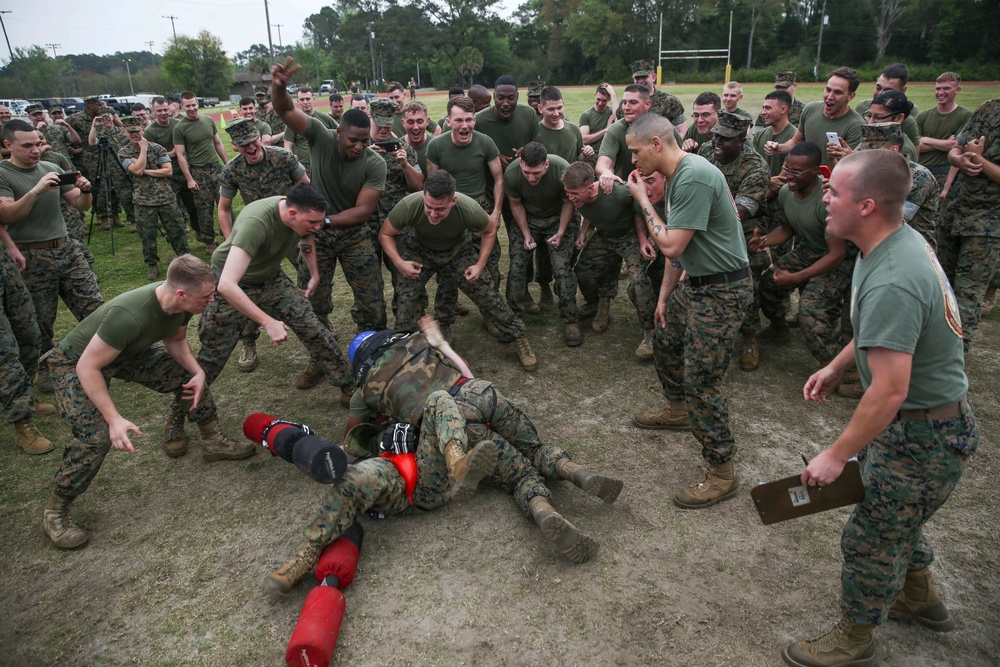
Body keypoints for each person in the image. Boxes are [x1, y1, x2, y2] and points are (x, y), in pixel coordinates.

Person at [781, 149, 977, 667]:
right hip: (918, 426)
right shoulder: (891, 245)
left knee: (871, 537)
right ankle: (919, 599)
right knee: (896, 518)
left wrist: (834, 454)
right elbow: (884, 335)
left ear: (866, 206)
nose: (824, 198)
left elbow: (889, 391)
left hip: (922, 436)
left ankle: (855, 637)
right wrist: (839, 363)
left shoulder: (895, 277)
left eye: (834, 192)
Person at [266, 316, 620, 595]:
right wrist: (441, 345)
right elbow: (466, 380)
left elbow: (349, 442)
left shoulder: (367, 400)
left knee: (482, 438)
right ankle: (569, 471)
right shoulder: (386, 412)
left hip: (439, 462)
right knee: (514, 451)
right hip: (450, 439)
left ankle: (539, 505)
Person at [40, 255, 255, 551]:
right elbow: (87, 368)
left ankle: (213, 440)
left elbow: (176, 341)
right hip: (75, 363)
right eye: (206, 296)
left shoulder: (182, 304)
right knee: (95, 437)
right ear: (181, 293)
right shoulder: (129, 315)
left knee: (187, 377)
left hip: (127, 353)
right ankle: (56, 510)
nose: (212, 299)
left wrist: (198, 371)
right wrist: (114, 419)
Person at [625, 113, 752, 509]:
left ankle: (722, 472)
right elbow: (678, 256)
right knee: (664, 337)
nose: (634, 162)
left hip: (722, 291)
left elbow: (672, 245)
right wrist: (663, 298)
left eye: (636, 152)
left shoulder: (692, 176)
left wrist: (643, 200)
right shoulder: (680, 175)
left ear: (657, 144)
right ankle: (678, 409)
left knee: (703, 380)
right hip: (697, 284)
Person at [270, 57, 388, 387]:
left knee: (372, 301)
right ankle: (320, 359)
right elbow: (285, 111)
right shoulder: (320, 137)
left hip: (353, 235)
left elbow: (363, 211)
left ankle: (373, 358)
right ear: (339, 133)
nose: (359, 147)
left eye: (365, 141)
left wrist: (325, 223)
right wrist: (279, 86)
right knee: (312, 301)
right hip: (316, 235)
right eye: (353, 140)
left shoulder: (374, 163)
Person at [191, 183, 356, 412]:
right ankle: (183, 414)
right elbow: (227, 286)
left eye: (320, 221)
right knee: (212, 355)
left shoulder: (298, 216)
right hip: (231, 281)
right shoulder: (256, 223)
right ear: (292, 214)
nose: (318, 227)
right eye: (312, 222)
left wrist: (315, 274)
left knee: (314, 328)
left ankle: (348, 386)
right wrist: (267, 321)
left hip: (270, 279)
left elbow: (306, 238)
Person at [379, 170, 538, 370]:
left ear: (452, 201)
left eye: (440, 209)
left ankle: (519, 336)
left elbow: (490, 230)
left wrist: (479, 265)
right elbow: (385, 233)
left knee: (486, 294)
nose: (433, 214)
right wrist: (400, 262)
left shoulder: (467, 207)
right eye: (429, 207)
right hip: (420, 250)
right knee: (405, 299)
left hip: (457, 251)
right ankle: (406, 350)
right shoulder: (410, 205)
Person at [0, 119, 104, 395]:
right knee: (41, 319)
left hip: (67, 248)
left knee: (93, 306)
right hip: (31, 255)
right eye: (27, 146)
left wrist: (85, 189)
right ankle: (44, 367)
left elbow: (79, 203)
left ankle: (103, 357)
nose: (36, 150)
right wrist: (36, 190)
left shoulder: (51, 167)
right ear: (8, 145)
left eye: (38, 143)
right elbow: (7, 214)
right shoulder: (3, 174)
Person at [749, 142, 854, 373]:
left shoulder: (826, 200)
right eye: (787, 168)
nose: (788, 176)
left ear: (816, 170)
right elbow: (789, 228)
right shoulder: (787, 192)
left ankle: (835, 368)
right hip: (812, 248)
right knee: (768, 282)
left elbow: (837, 253)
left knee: (810, 309)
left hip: (840, 258)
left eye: (796, 171)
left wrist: (796, 277)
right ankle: (779, 328)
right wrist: (764, 241)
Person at [216, 118, 309, 373]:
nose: (251, 147)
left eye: (253, 141)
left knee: (307, 272)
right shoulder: (232, 169)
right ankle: (248, 340)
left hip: (288, 230)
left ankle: (311, 325)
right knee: (244, 285)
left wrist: (303, 224)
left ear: (260, 137)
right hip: (255, 235)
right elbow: (223, 209)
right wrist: (231, 240)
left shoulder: (283, 158)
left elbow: (307, 188)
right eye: (244, 144)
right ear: (235, 145)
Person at [697, 113, 771, 372]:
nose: (716, 141)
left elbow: (739, 212)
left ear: (742, 140)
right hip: (705, 222)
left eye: (724, 138)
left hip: (744, 230)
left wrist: (696, 222)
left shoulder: (755, 166)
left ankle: (749, 336)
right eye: (715, 134)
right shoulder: (707, 150)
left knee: (747, 280)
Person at [563, 160, 656, 358]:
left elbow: (641, 211)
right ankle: (599, 304)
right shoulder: (579, 197)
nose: (570, 198)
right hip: (605, 236)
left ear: (590, 187)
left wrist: (643, 239)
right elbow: (593, 211)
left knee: (639, 283)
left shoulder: (618, 192)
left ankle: (650, 333)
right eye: (567, 193)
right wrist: (583, 232)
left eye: (574, 193)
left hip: (629, 236)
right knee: (583, 271)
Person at [936, 97, 1000, 353]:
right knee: (942, 283)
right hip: (955, 212)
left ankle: (955, 353)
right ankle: (935, 342)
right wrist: (958, 159)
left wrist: (978, 160)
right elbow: (956, 148)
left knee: (968, 291)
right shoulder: (989, 108)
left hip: (988, 224)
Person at [503, 143, 580, 345]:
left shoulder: (561, 170)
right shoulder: (512, 173)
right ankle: (513, 318)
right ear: (521, 163)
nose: (531, 178)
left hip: (557, 218)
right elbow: (515, 203)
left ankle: (570, 319)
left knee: (563, 270)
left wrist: (561, 232)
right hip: (527, 219)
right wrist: (526, 234)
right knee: (517, 267)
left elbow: (568, 202)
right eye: (527, 172)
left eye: (536, 173)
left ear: (546, 165)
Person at [1, 225, 56, 454]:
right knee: (5, 351)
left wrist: (10, 245)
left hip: (3, 264)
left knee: (29, 333)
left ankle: (25, 396)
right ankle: (22, 423)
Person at [118, 115, 190, 282]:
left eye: (137, 131)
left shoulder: (157, 148)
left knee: (177, 231)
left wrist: (145, 170)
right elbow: (135, 170)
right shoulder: (124, 152)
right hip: (143, 201)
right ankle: (152, 265)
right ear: (124, 133)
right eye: (131, 132)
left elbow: (167, 171)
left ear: (142, 130)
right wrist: (143, 150)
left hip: (166, 197)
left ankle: (185, 261)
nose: (135, 135)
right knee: (147, 236)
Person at [765, 67, 865, 167]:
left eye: (838, 92)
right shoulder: (810, 109)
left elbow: (851, 166)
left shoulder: (856, 125)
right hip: (806, 178)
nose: (830, 96)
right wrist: (778, 148)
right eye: (828, 90)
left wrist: (848, 157)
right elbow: (796, 142)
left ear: (850, 96)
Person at [173, 91, 228, 253]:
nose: (192, 108)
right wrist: (189, 178)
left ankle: (229, 237)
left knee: (225, 204)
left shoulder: (208, 120)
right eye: (187, 106)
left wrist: (226, 164)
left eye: (194, 105)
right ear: (182, 107)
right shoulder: (180, 128)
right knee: (204, 209)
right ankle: (209, 241)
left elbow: (218, 143)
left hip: (216, 169)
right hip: (198, 172)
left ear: (198, 104)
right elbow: (180, 155)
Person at [144, 96, 197, 231]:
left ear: (169, 109)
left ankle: (199, 230)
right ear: (152, 112)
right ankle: (181, 227)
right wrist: (171, 154)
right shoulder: (150, 132)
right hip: (167, 174)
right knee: (172, 206)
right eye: (159, 110)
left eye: (165, 110)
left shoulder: (178, 123)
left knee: (193, 204)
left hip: (185, 170)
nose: (163, 113)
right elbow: (150, 157)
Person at [916, 72, 972, 187]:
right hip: (921, 172)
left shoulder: (966, 116)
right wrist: (946, 143)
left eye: (946, 88)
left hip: (945, 174)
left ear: (957, 90)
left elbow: (958, 146)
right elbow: (915, 146)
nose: (940, 93)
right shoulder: (923, 116)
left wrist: (925, 139)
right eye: (938, 89)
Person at [87, 110, 133, 231]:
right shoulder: (100, 133)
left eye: (107, 117)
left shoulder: (121, 131)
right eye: (103, 118)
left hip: (121, 168)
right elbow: (91, 142)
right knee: (103, 194)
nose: (106, 120)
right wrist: (94, 126)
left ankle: (125, 218)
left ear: (112, 117)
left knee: (124, 195)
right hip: (105, 168)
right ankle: (103, 218)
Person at [854, 63, 920, 147]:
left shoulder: (910, 118)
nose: (880, 94)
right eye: (878, 88)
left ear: (903, 90)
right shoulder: (862, 107)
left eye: (887, 91)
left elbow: (915, 150)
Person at [615, 59, 687, 134]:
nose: (640, 81)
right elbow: (618, 131)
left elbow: (681, 131)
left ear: (654, 77)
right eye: (637, 78)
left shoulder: (669, 101)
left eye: (644, 77)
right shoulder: (626, 104)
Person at [282, 86, 338, 176]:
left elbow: (341, 132)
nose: (305, 102)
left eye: (308, 99)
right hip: (303, 166)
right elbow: (287, 145)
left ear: (313, 99)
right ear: (297, 101)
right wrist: (293, 163)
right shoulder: (293, 121)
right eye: (302, 99)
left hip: (324, 163)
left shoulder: (325, 118)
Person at [534, 86, 593, 164]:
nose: (556, 113)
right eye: (551, 109)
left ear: (563, 104)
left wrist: (585, 154)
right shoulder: (535, 133)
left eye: (559, 108)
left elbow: (578, 159)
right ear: (540, 108)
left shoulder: (573, 129)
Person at [753, 91, 796, 180]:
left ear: (783, 109)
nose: (763, 112)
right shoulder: (759, 135)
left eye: (768, 108)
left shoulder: (795, 137)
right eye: (763, 108)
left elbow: (783, 177)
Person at [578, 84, 617, 156]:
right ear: (595, 95)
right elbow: (584, 139)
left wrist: (612, 94)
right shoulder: (586, 115)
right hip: (594, 155)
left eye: (604, 101)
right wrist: (606, 130)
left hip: (609, 154)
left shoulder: (611, 112)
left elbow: (618, 117)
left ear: (609, 99)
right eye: (598, 99)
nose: (600, 103)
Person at [401, 100, 433, 174]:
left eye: (420, 121)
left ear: (427, 121)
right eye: (410, 122)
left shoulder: (437, 145)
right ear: (403, 123)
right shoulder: (398, 148)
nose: (415, 127)